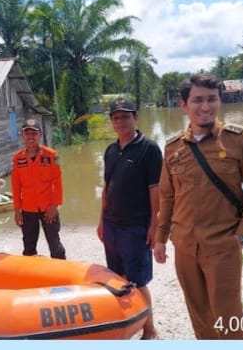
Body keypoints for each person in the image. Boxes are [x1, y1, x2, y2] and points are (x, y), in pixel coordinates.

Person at [154, 74, 243, 339]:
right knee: (198, 313)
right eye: (197, 100)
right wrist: (160, 238)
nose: (205, 107)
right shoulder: (172, 148)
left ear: (219, 101)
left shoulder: (241, 140)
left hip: (223, 244)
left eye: (211, 99)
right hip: (184, 244)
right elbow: (167, 196)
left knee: (228, 316)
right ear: (183, 105)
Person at [97, 98, 162, 340]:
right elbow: (107, 187)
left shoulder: (150, 149)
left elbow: (155, 190)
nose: (120, 121)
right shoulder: (111, 150)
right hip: (112, 225)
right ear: (112, 122)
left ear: (136, 118)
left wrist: (155, 225)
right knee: (116, 278)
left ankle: (150, 329)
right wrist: (102, 221)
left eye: (125, 116)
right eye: (116, 118)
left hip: (136, 227)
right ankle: (123, 323)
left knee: (138, 280)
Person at [11, 119, 66, 259]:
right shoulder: (17, 159)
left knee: (55, 245)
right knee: (28, 246)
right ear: (22, 136)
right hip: (28, 209)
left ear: (40, 135)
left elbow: (57, 183)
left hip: (48, 207)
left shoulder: (51, 155)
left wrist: (54, 206)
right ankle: (31, 276)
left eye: (34, 133)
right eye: (27, 133)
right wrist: (17, 210)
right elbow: (16, 186)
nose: (30, 137)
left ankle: (61, 272)